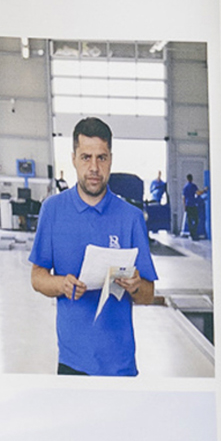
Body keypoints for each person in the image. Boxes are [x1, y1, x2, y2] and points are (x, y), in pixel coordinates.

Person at [29, 117, 158, 376]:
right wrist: (62, 284)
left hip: (120, 365)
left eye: (102, 158)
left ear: (111, 160)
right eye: (86, 157)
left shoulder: (131, 217)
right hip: (72, 362)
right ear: (74, 159)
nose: (94, 167)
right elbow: (37, 277)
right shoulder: (53, 210)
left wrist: (135, 286)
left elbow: (148, 294)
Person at [182, 173, 202, 238]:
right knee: (196, 220)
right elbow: (198, 193)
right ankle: (194, 232)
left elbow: (183, 197)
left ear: (187, 179)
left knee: (189, 220)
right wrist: (205, 190)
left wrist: (184, 206)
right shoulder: (193, 186)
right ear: (192, 179)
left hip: (188, 205)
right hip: (193, 204)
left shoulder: (185, 187)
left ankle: (191, 233)